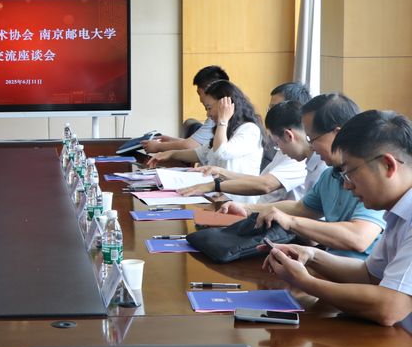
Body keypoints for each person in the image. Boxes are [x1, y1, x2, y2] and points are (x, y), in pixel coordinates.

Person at [263, 110, 412, 327]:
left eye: (350, 173)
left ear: (387, 165)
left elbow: (389, 308)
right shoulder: (398, 213)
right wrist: (311, 255)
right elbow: (369, 275)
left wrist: (305, 282)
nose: (347, 185)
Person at [219, 93, 385, 258]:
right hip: (332, 262)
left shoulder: (372, 177)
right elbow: (301, 208)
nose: (311, 146)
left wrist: (291, 222)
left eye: (312, 139)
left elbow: (358, 238)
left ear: (337, 134)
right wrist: (246, 208)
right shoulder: (330, 175)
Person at [179, 100, 325, 203]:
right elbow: (260, 180)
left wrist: (216, 185)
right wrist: (220, 172)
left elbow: (265, 185)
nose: (278, 148)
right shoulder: (290, 153)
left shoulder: (303, 161)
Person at [148, 80, 264, 202]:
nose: (208, 114)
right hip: (216, 197)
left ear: (226, 105)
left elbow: (221, 152)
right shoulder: (225, 129)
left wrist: (223, 120)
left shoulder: (249, 130)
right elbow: (200, 153)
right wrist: (171, 154)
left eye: (209, 108)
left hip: (237, 202)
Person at [141, 65, 229, 153]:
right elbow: (196, 144)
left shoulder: (218, 115)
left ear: (211, 90)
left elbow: (190, 146)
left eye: (199, 93)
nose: (200, 100)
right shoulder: (218, 112)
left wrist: (158, 147)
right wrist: (169, 140)